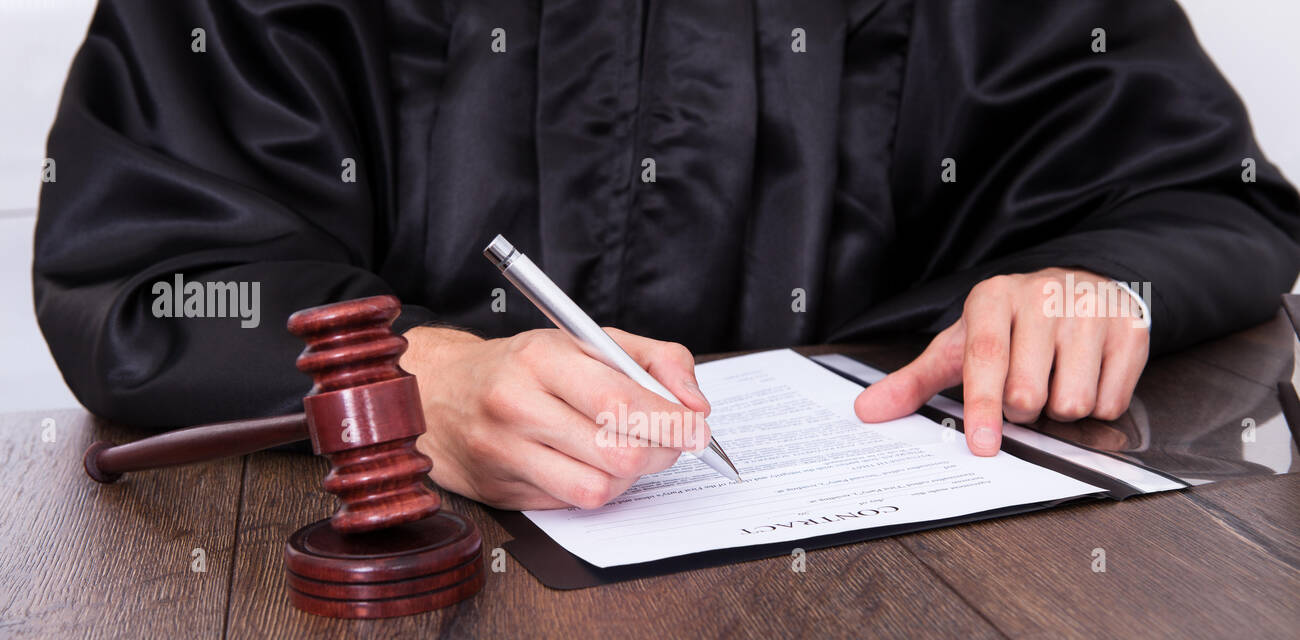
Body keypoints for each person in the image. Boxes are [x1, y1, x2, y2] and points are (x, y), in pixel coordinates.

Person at [34, 1, 1300, 509]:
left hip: (888, 604)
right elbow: (146, 263)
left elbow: (1195, 192)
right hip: (385, 635)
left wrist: (1088, 284)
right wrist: (414, 377)